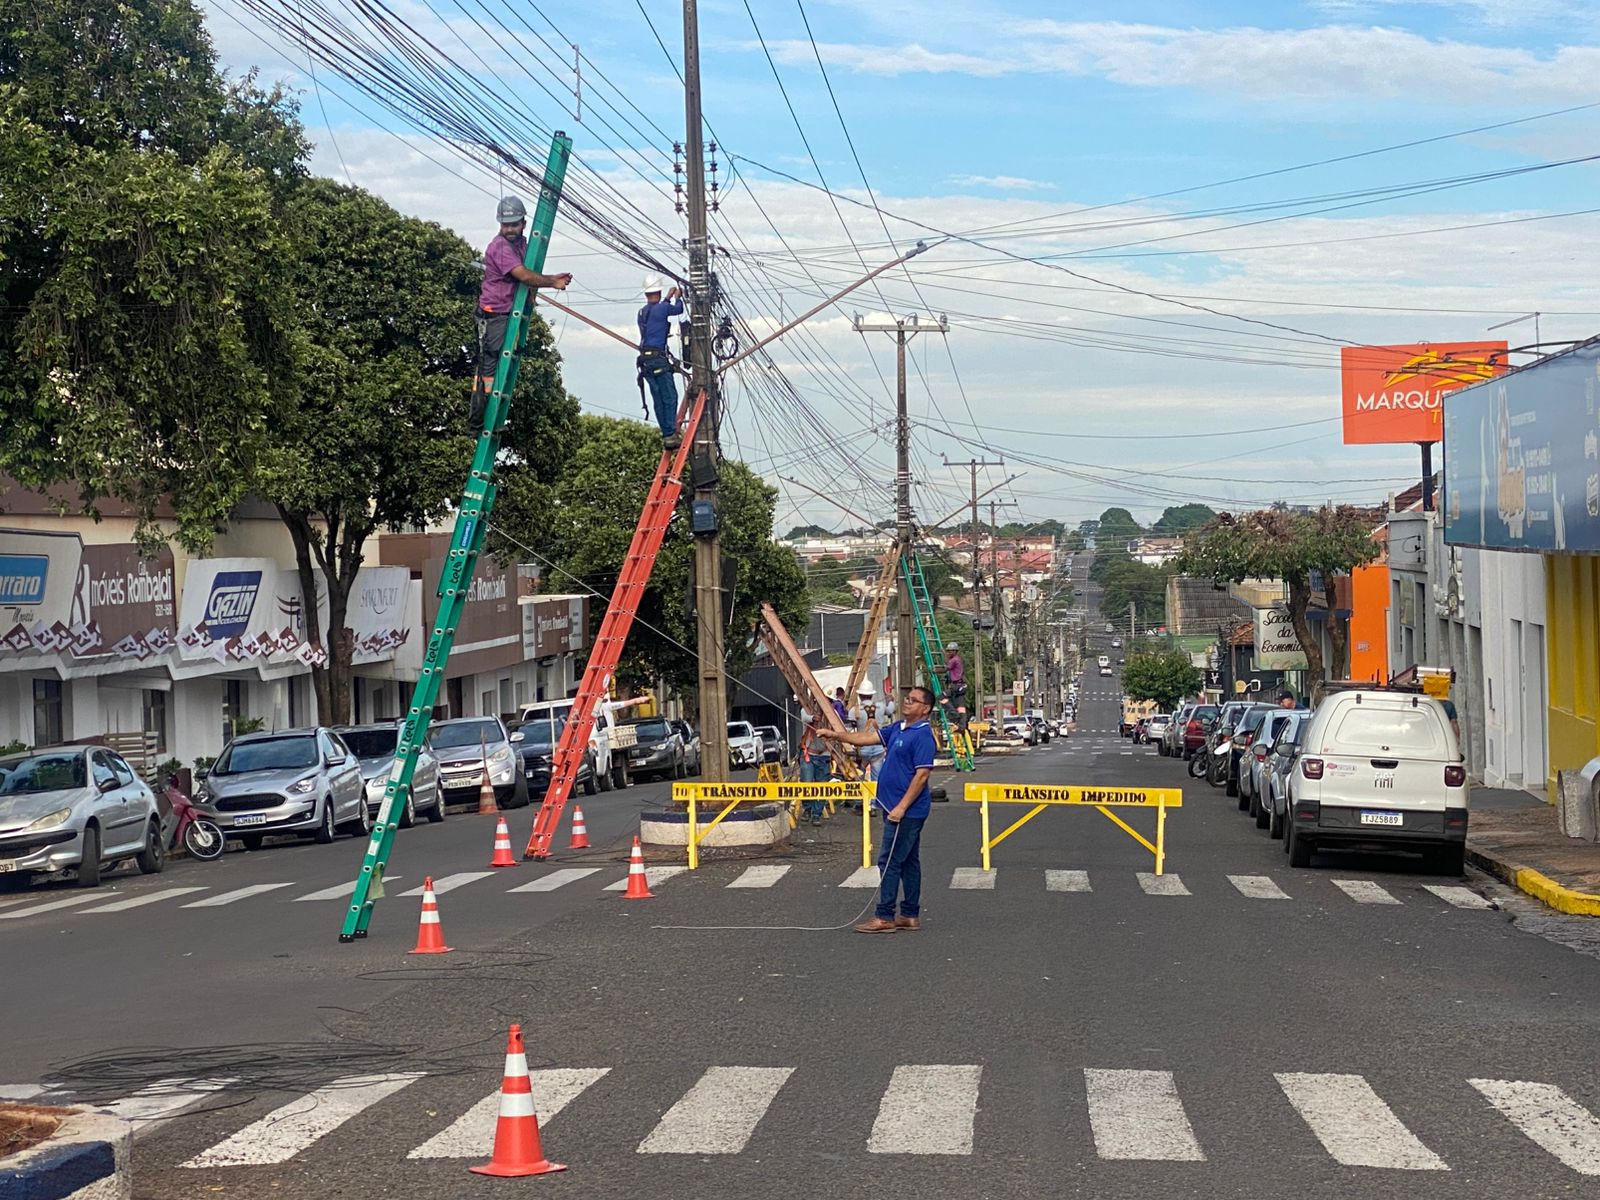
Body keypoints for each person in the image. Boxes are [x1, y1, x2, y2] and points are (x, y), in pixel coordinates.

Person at [818, 685, 937, 934]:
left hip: (906, 812)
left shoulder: (923, 735)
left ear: (925, 709)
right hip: (892, 806)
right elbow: (865, 739)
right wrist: (835, 735)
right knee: (909, 862)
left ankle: (884, 916)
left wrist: (901, 807)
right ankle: (910, 915)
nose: (906, 702)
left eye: (913, 701)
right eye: (907, 698)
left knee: (889, 860)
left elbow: (922, 775)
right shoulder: (898, 728)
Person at [474, 196, 572, 427]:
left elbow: (529, 273)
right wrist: (552, 282)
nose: (509, 229)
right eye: (505, 224)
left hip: (509, 311)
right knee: (489, 369)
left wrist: (539, 288)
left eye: (513, 224)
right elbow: (524, 275)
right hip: (494, 312)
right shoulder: (499, 247)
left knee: (504, 367)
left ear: (523, 224)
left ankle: (495, 417)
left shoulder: (522, 244)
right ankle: (478, 422)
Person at [638, 276, 685, 447]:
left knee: (657, 397)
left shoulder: (642, 312)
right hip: (658, 358)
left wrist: (667, 298)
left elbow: (657, 314)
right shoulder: (662, 308)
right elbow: (677, 309)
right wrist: (677, 297)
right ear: (657, 292)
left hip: (645, 360)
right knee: (669, 396)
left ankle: (666, 434)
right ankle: (671, 433)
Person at [943, 643, 968, 729]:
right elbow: (948, 663)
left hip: (956, 685)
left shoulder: (954, 660)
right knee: (961, 707)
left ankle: (953, 713)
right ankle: (962, 726)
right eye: (947, 651)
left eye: (950, 651)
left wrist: (934, 670)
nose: (949, 653)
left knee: (941, 697)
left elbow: (945, 668)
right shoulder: (957, 659)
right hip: (961, 686)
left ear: (955, 651)